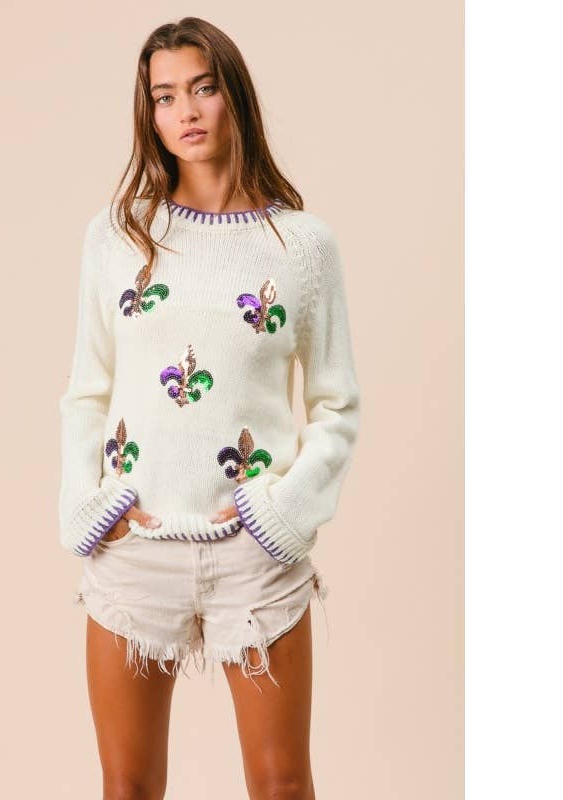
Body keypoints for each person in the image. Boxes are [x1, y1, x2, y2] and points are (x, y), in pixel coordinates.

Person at [58, 16, 361, 799]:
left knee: (283, 784)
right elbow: (87, 389)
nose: (185, 111)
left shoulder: (303, 246)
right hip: (135, 548)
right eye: (164, 96)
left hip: (253, 557)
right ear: (149, 114)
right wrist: (88, 507)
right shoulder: (118, 235)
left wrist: (280, 513)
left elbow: (337, 405)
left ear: (235, 96)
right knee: (127, 787)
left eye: (202, 88)